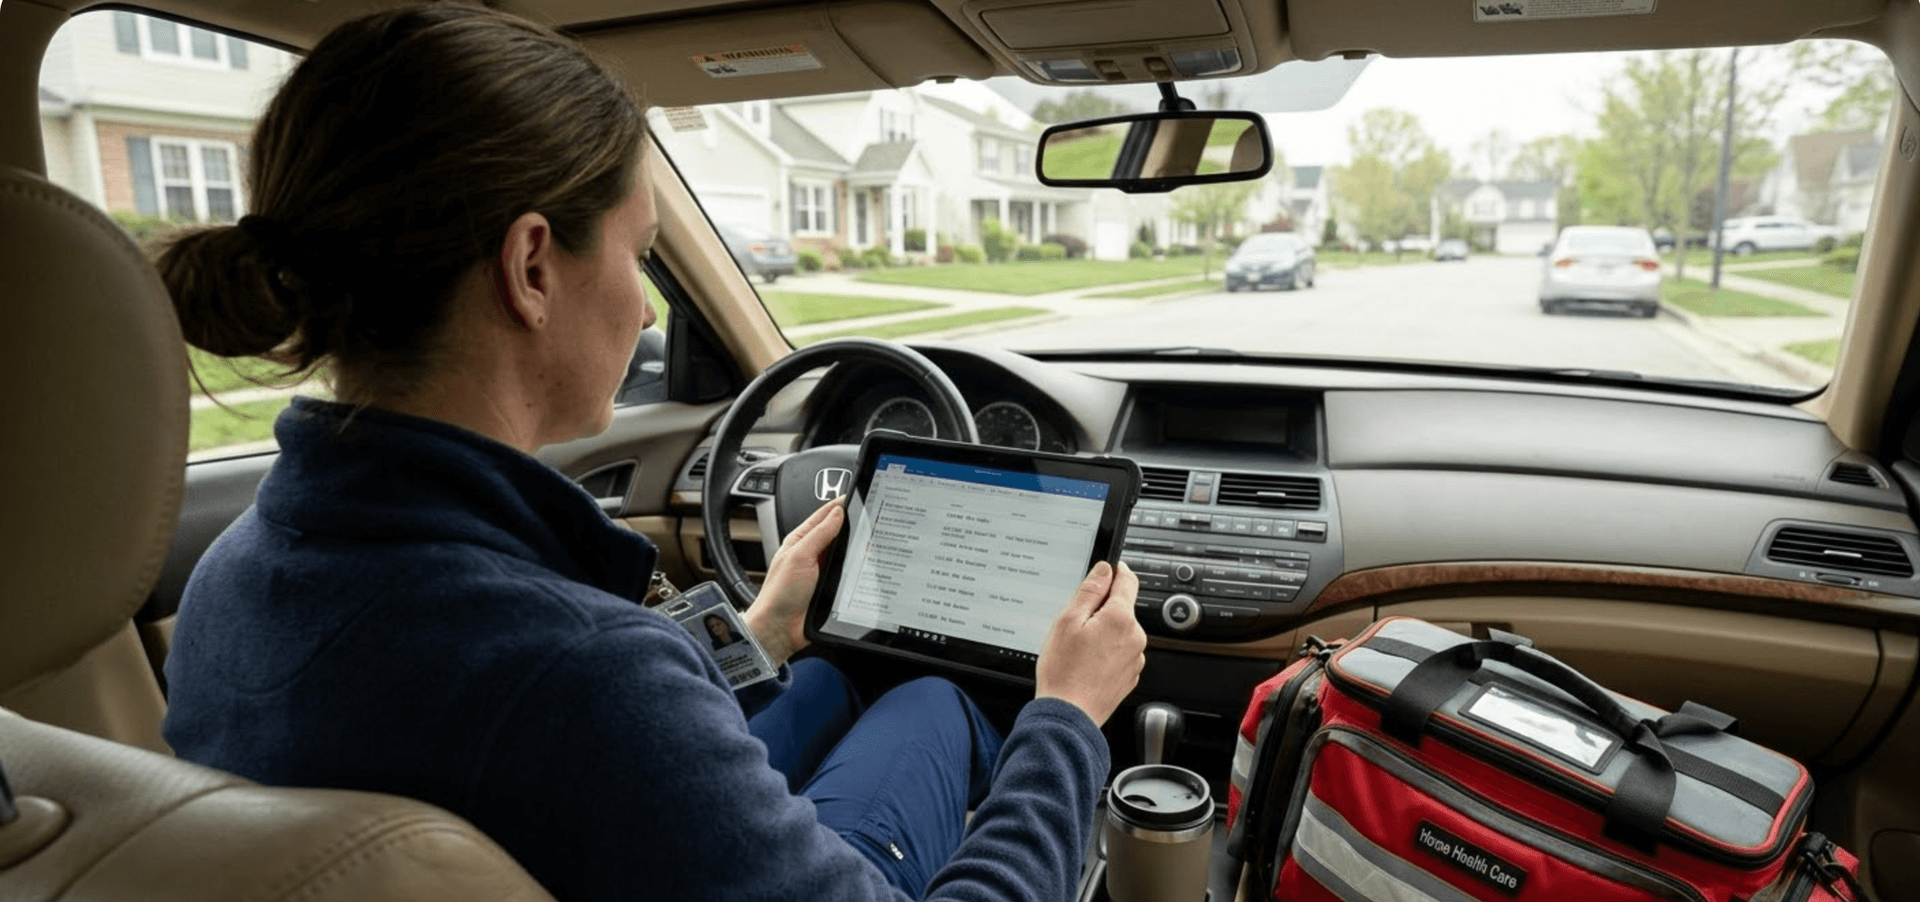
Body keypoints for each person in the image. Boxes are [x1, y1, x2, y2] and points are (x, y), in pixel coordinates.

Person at [155, 6, 1147, 902]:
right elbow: (597, 714)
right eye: (640, 255)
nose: (647, 309)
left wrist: (761, 633)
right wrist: (1064, 718)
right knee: (934, 698)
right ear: (531, 267)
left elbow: (589, 761)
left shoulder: (230, 578)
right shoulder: (581, 675)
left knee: (830, 681)